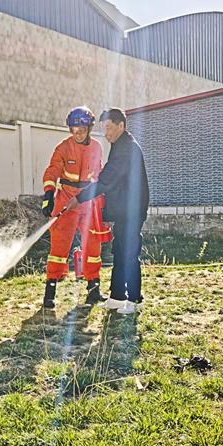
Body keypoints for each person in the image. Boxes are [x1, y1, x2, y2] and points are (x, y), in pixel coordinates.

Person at [67, 108, 149, 315]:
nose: (106, 133)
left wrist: (79, 198)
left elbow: (106, 181)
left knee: (128, 254)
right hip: (124, 210)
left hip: (132, 211)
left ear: (121, 125)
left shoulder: (126, 148)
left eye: (110, 128)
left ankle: (135, 300)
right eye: (104, 128)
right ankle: (117, 297)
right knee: (119, 251)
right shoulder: (120, 145)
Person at [41, 106, 111, 309]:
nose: (77, 134)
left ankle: (93, 289)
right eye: (74, 130)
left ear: (89, 129)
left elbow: (98, 174)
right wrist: (48, 195)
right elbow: (52, 171)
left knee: (93, 246)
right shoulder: (63, 148)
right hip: (66, 200)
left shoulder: (97, 147)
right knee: (59, 245)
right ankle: (50, 292)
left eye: (81, 130)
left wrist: (103, 199)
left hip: (89, 201)